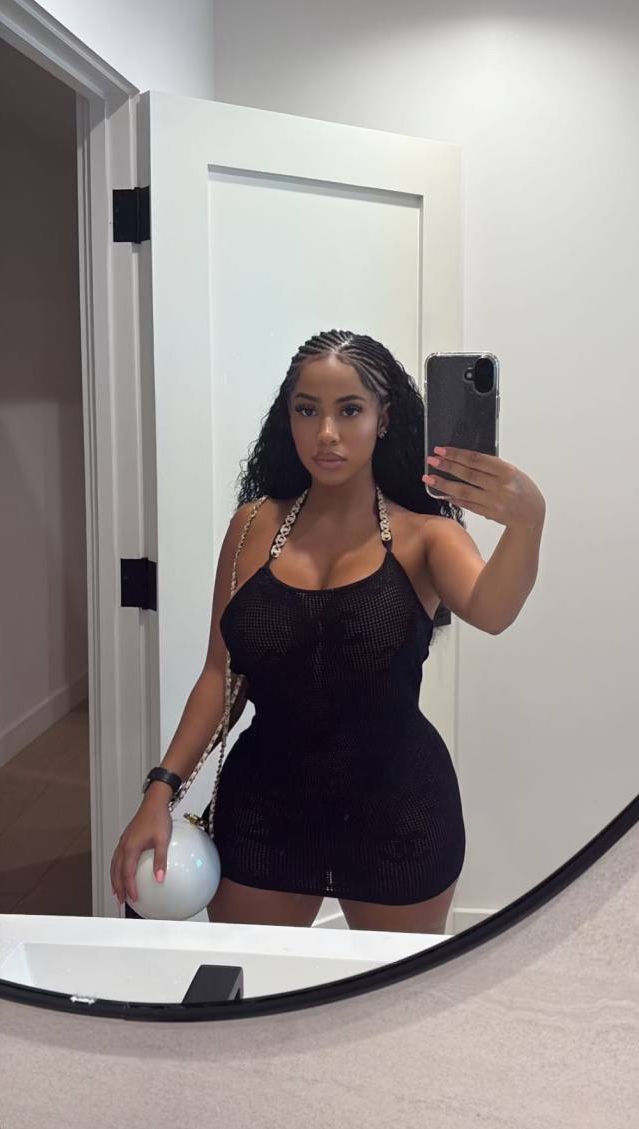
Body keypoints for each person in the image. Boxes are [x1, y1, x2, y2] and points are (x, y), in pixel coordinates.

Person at [110, 330, 545, 933]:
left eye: (349, 410)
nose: (327, 434)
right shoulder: (251, 527)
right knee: (255, 983)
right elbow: (221, 676)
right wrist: (160, 791)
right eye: (307, 410)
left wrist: (528, 522)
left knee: (393, 991)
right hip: (264, 810)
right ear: (287, 416)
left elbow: (493, 611)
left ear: (383, 419)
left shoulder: (427, 538)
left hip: (400, 813)